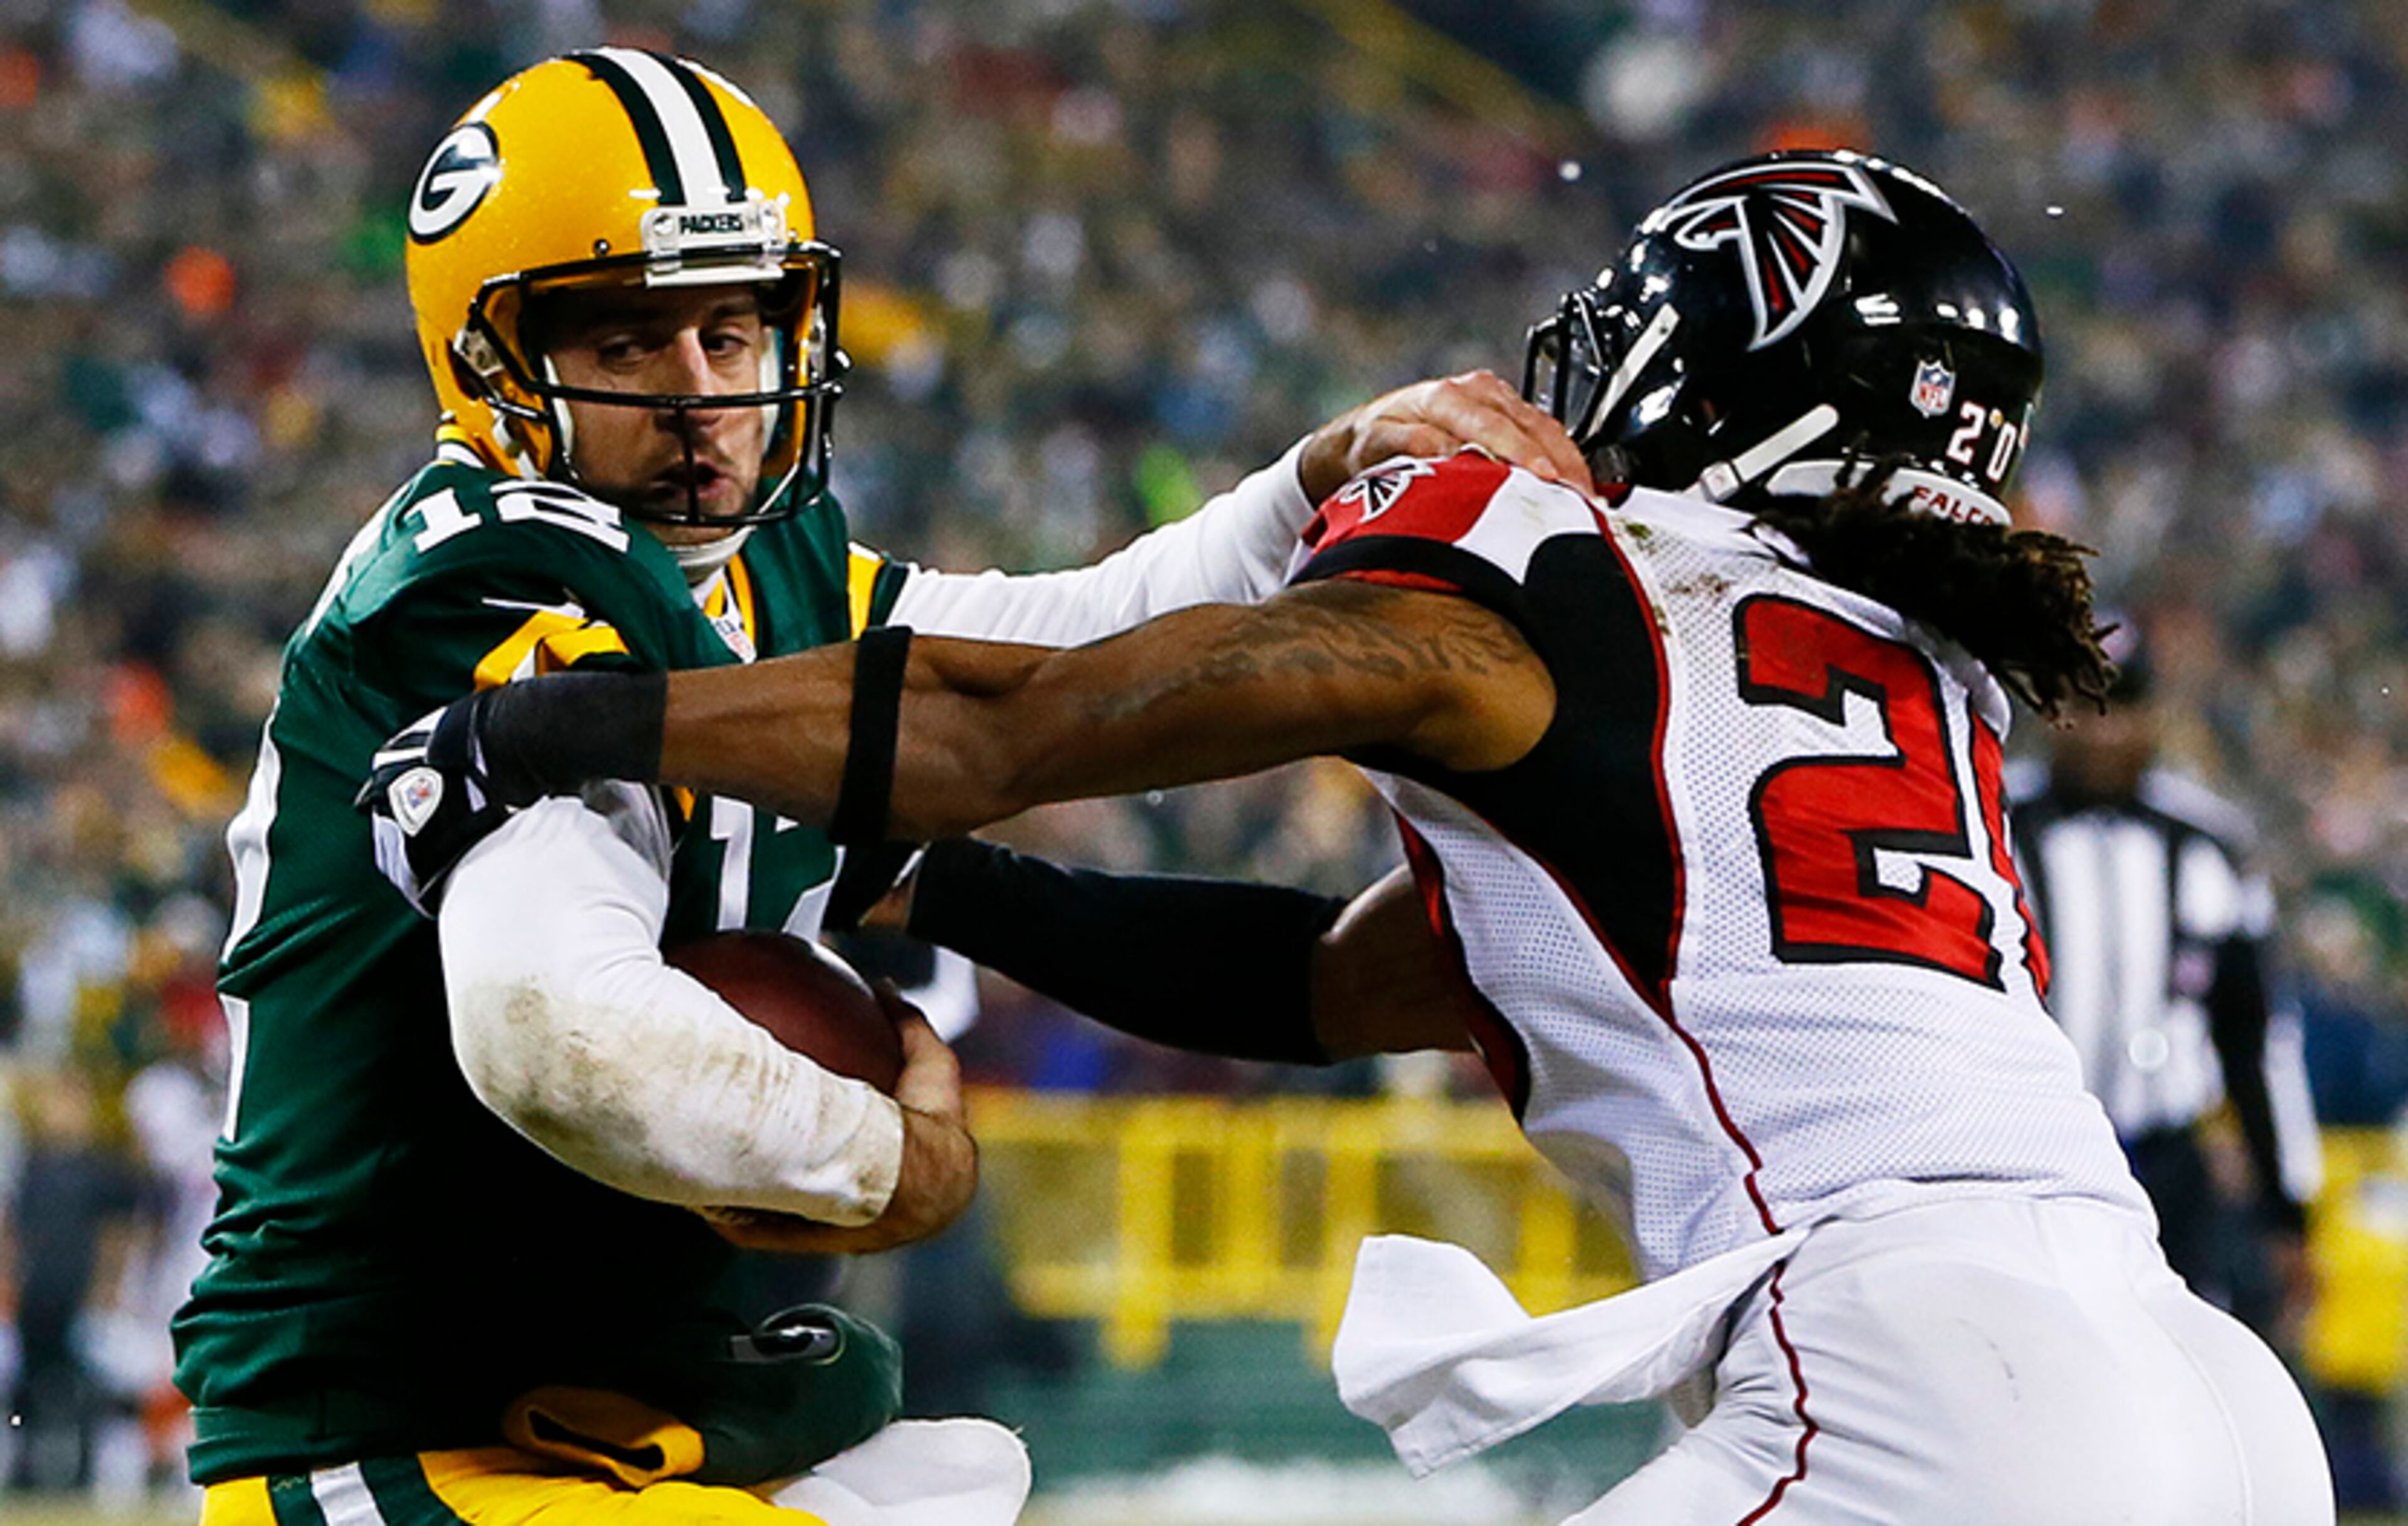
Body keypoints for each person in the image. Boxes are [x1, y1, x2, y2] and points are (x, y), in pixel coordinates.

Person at [374, 150, 2335, 1524]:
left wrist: (555, 722)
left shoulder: (1554, 570)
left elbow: (1005, 722)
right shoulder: (1909, 670)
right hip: (2205, 1391)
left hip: (1932, 1379)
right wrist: (936, 890)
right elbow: (1329, 983)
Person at [181, 48, 1588, 1526]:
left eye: (733, 332)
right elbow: (557, 1027)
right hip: (404, 1441)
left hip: (613, 1419)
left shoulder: (769, 572)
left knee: (955, 1473)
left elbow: (1064, 653)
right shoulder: (489, 577)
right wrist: (882, 1166)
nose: (701, 396)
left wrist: (1308, 483)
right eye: (630, 342)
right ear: (490, 363)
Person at [2007, 620, 2323, 1341]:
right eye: (2085, 705)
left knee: (2182, 1354)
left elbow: (2253, 1033)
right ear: (2053, 708)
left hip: (2171, 1161)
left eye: (2125, 706)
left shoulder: (2207, 843)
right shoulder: (1996, 820)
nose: (2104, 731)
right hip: (2035, 1155)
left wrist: (2285, 1207)